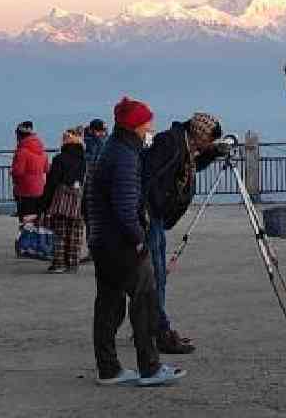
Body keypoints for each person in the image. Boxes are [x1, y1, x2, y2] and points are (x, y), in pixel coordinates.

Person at [87, 97, 186, 387]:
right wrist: (140, 240)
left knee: (108, 304)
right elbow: (126, 207)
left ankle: (108, 369)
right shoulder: (125, 156)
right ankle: (150, 367)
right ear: (135, 125)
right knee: (145, 299)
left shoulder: (111, 149)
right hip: (121, 244)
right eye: (146, 122)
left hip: (102, 241)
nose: (150, 127)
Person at [143, 112, 224, 355]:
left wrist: (212, 153)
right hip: (151, 216)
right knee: (155, 275)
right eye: (209, 139)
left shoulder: (183, 144)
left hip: (157, 215)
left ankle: (152, 325)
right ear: (199, 134)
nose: (208, 143)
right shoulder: (169, 142)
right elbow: (151, 176)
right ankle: (159, 330)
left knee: (157, 275)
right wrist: (153, 205)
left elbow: (190, 165)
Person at [40, 126, 87, 273]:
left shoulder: (59, 159)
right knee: (76, 234)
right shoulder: (85, 160)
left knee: (60, 233)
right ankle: (73, 263)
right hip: (79, 201)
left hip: (61, 201)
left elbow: (52, 182)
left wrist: (44, 204)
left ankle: (59, 263)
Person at [82, 119, 110, 262]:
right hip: (102, 187)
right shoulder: (108, 142)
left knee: (91, 220)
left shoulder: (92, 143)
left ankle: (94, 250)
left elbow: (89, 161)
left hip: (92, 186)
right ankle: (99, 250)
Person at [11, 121, 49, 224]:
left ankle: (27, 239)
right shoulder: (42, 150)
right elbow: (46, 169)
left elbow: (18, 172)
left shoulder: (22, 151)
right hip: (40, 189)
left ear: (20, 135)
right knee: (37, 220)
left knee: (26, 222)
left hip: (24, 190)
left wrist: (12, 174)